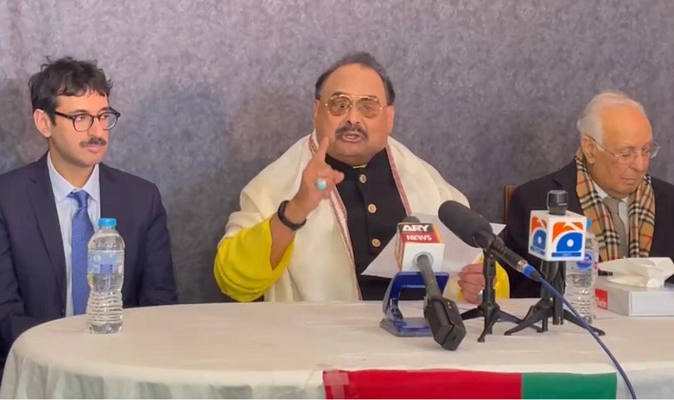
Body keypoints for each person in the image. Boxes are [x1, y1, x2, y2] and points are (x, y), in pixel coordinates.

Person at [214, 51, 509, 303]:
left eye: (368, 106)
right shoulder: (274, 185)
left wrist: (482, 286)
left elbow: (491, 276)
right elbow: (233, 282)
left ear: (389, 117)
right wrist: (296, 209)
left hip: (422, 350)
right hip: (316, 353)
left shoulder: (426, 182)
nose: (353, 119)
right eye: (339, 105)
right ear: (317, 112)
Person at [0, 57, 178, 398]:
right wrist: (73, 354)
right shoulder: (2, 199)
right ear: (44, 122)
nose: (97, 132)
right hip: (35, 372)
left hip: (122, 373)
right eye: (81, 118)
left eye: (103, 117)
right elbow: (0, 315)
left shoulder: (142, 198)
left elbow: (159, 305)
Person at [504, 91, 674, 298]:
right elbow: (518, 290)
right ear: (590, 149)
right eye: (626, 153)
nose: (640, 165)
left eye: (646, 151)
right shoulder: (534, 201)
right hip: (575, 326)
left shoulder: (669, 202)